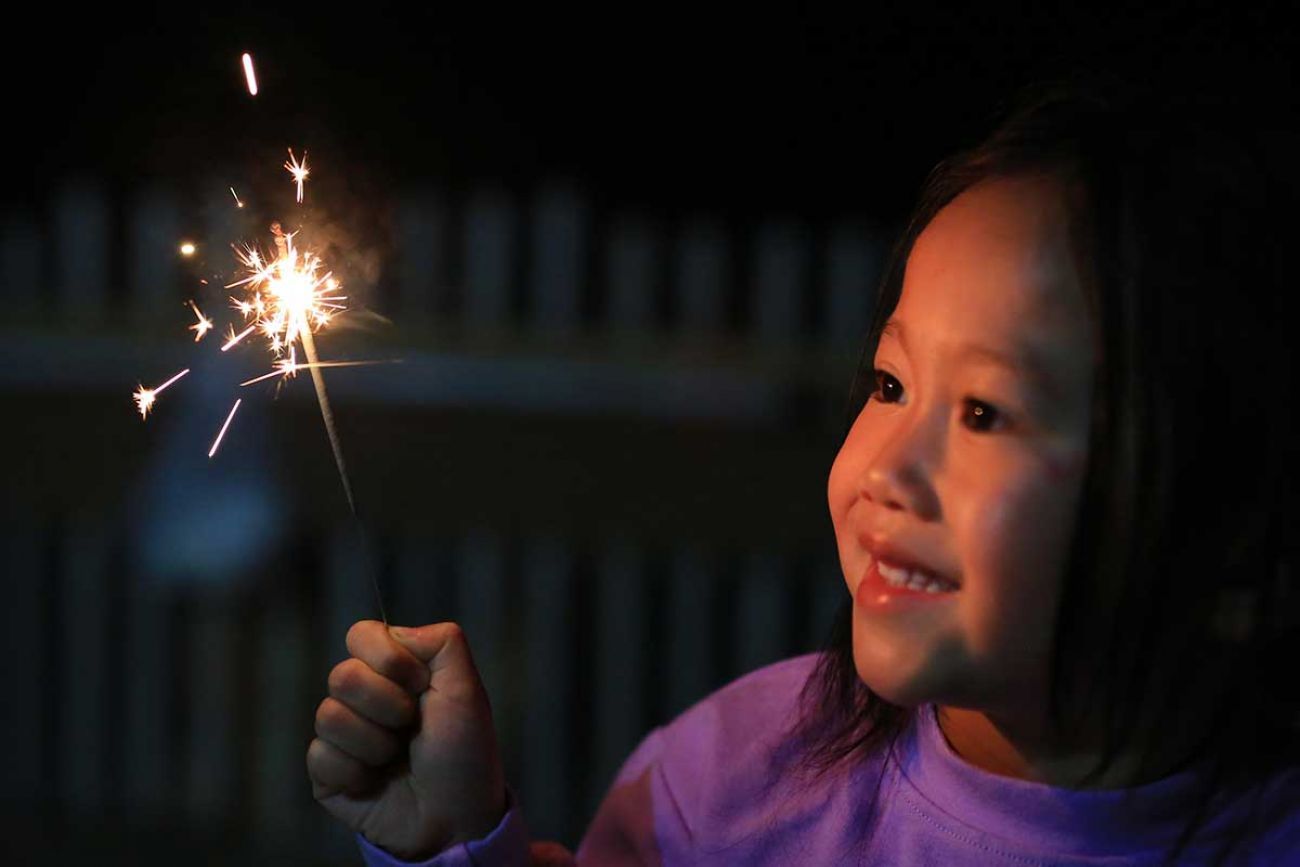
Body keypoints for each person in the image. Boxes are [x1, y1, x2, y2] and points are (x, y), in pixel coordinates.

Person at [305, 82, 1300, 865]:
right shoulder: (721, 789)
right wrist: (454, 845)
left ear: (1240, 552)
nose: (887, 470)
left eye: (984, 412)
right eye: (889, 382)